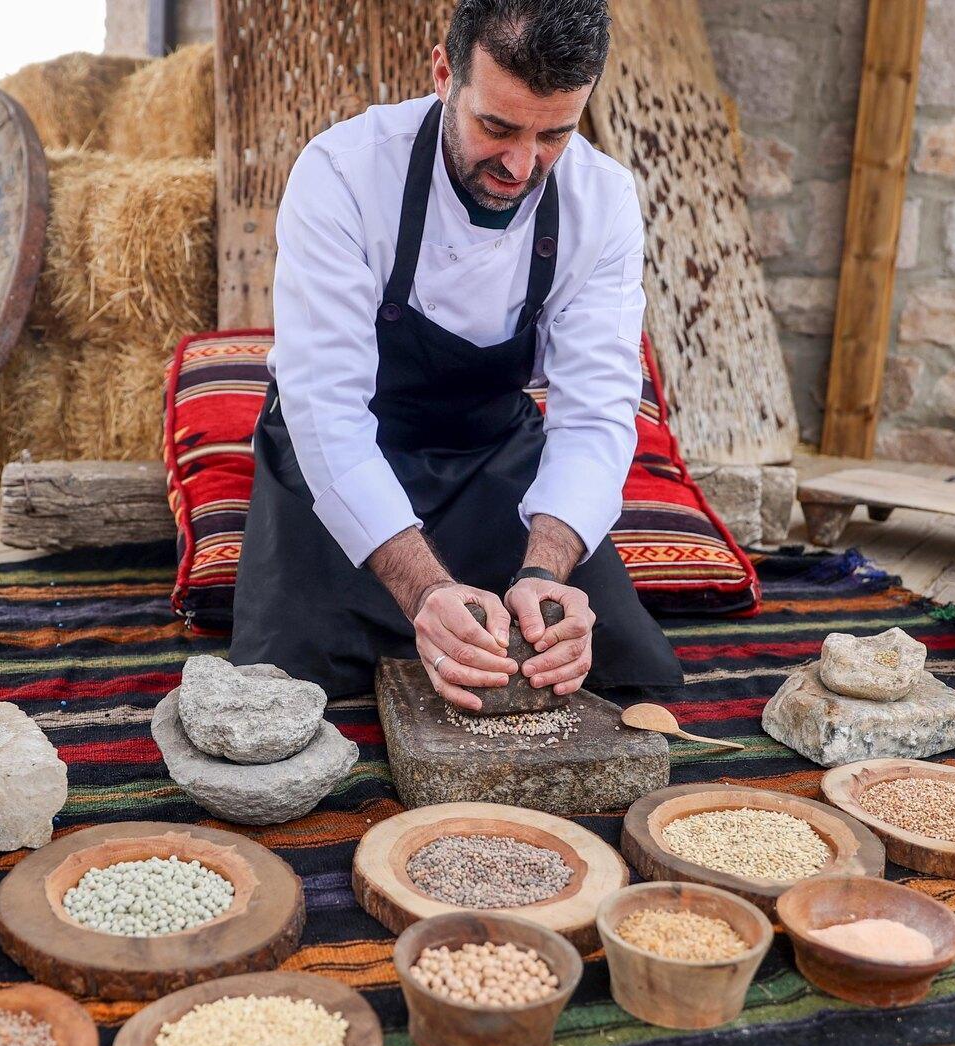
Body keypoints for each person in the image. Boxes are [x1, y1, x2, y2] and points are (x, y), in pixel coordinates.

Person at [229, 0, 682, 710]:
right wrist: (426, 590)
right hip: (347, 452)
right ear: (444, 74)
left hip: (489, 452)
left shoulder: (604, 200)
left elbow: (595, 415)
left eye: (553, 135)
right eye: (496, 127)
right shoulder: (343, 173)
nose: (520, 165)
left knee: (628, 671)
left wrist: (547, 572)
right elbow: (324, 409)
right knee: (287, 690)